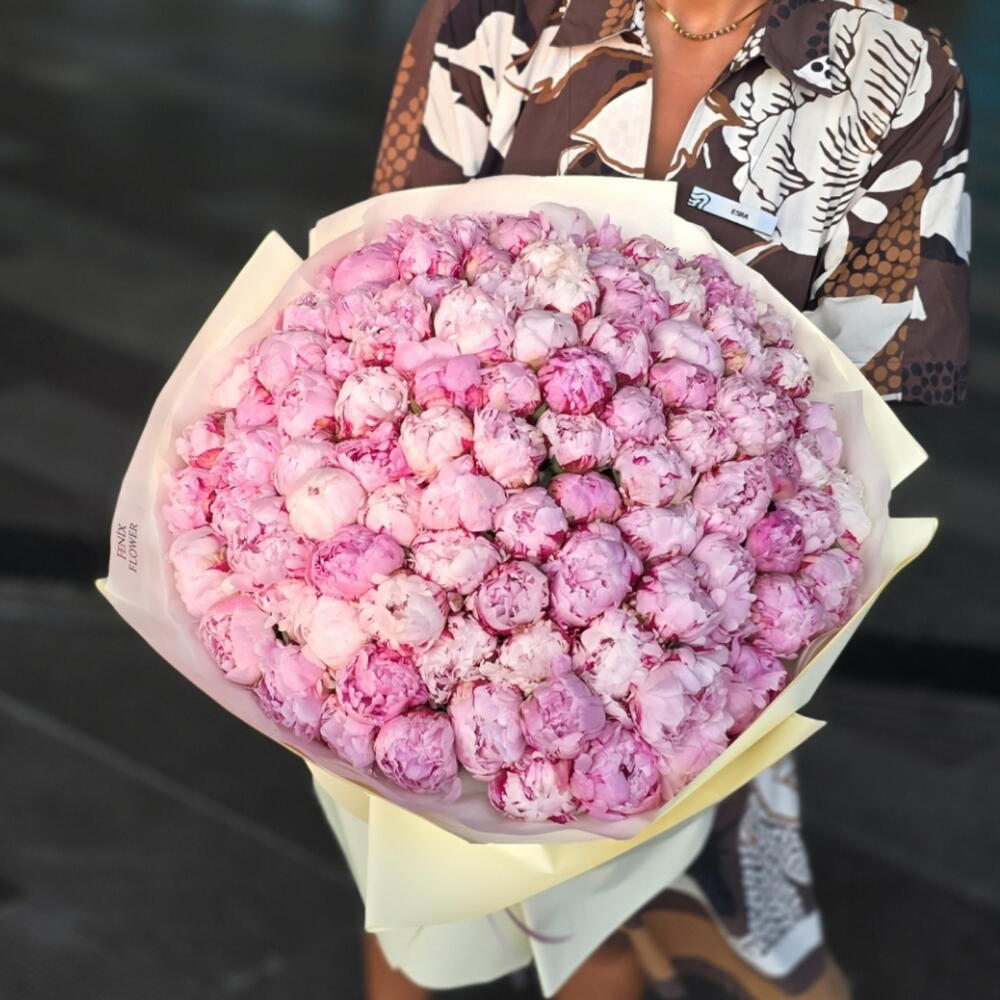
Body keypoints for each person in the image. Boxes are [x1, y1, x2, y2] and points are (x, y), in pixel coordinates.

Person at [360, 1, 971, 997]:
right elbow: (384, 290)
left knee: (672, 941)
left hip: (701, 637)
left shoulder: (898, 68)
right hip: (435, 595)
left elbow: (859, 428)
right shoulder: (493, 14)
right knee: (423, 933)